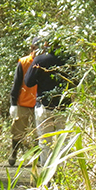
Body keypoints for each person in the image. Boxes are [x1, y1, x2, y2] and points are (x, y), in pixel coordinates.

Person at [24, 36, 74, 166]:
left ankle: (47, 174)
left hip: (44, 106)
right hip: (64, 106)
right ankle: (63, 174)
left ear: (46, 45)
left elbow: (28, 82)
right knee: (64, 141)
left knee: (46, 142)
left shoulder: (40, 60)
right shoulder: (68, 59)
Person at [8, 38, 40, 166]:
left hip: (39, 102)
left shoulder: (44, 62)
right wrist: (13, 103)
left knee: (39, 132)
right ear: (32, 48)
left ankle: (36, 158)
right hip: (23, 102)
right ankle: (14, 152)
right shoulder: (24, 62)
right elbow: (16, 83)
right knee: (18, 130)